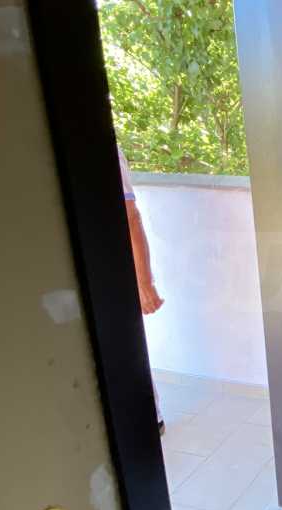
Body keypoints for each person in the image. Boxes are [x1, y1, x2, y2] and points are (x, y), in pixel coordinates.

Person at [118, 146, 166, 434]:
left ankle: (151, 417)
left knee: (127, 345)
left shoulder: (109, 151)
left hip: (114, 273)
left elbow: (130, 217)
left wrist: (144, 283)